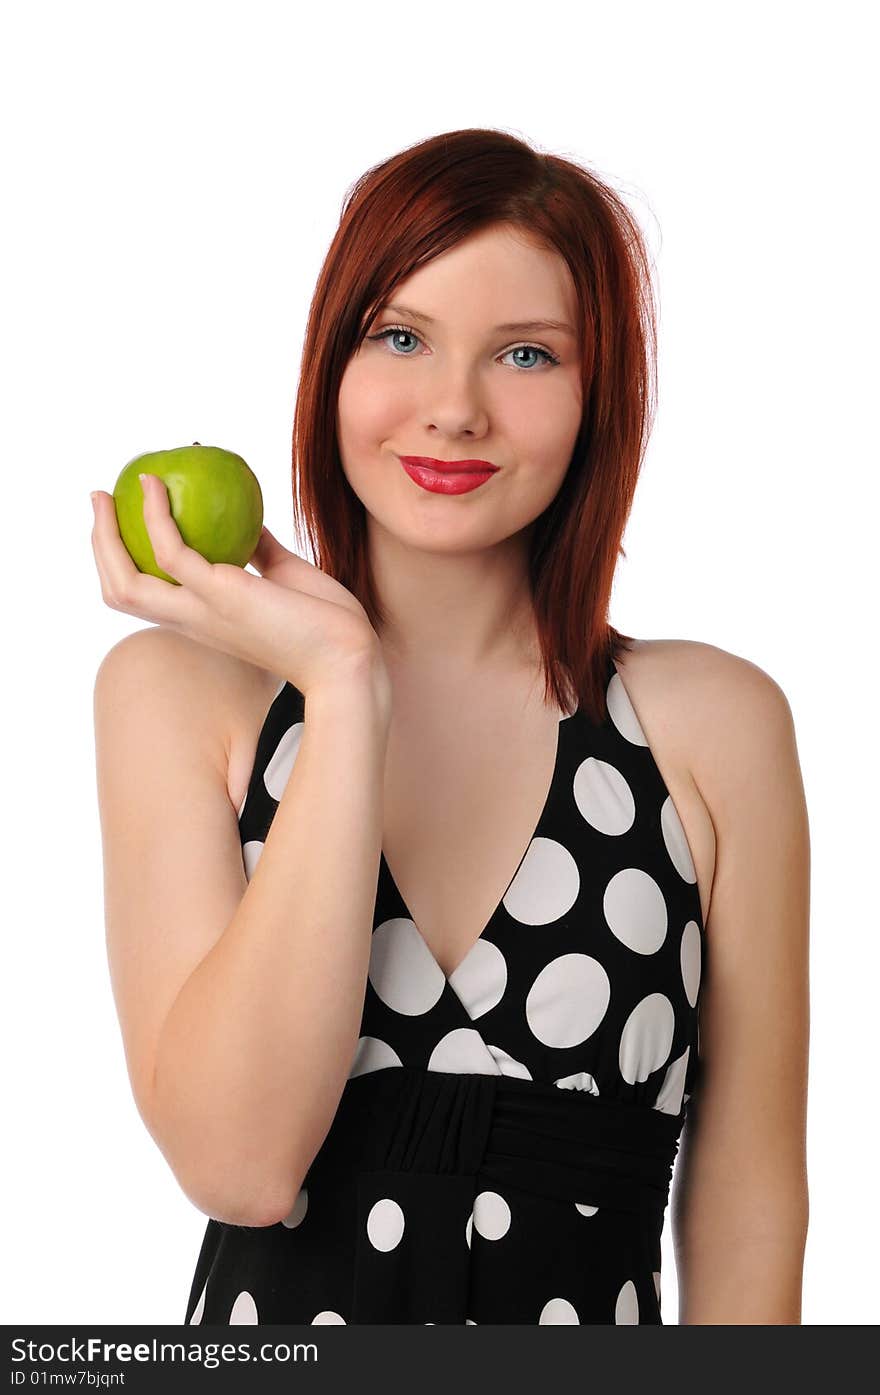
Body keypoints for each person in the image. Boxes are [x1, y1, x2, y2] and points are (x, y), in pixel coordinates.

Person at [90, 128, 810, 1325]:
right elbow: (240, 1167)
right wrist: (341, 686)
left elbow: (748, 1198)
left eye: (525, 354)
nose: (454, 409)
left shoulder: (713, 723)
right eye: (401, 337)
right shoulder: (182, 698)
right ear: (333, 362)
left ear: (598, 399)